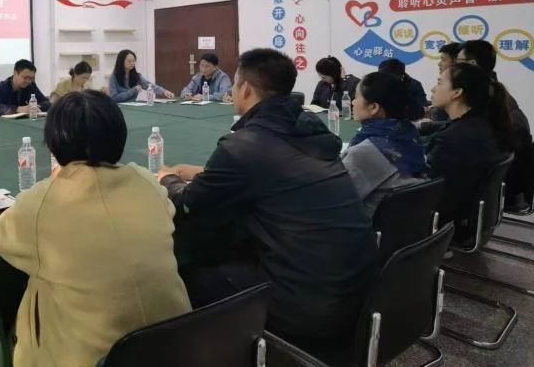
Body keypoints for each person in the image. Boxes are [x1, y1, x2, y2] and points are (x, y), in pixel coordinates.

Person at [157, 49, 377, 351]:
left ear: (245, 88)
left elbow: (189, 204)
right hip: (359, 294)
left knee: (184, 266)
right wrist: (205, 173)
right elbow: (273, 170)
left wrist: (167, 179)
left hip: (305, 305)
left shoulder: (244, 145)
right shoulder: (309, 129)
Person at [0, 90, 191, 366]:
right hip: (177, 347)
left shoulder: (42, 202)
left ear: (54, 143)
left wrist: (53, 183)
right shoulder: (145, 181)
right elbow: (166, 212)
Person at [427, 62, 513, 230]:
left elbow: (426, 182)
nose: (433, 89)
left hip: (444, 220)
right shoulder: (483, 126)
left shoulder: (455, 138)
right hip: (467, 213)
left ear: (457, 93)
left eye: (439, 83)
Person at [457, 39, 534, 210]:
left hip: (503, 183)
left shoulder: (483, 96)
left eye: (458, 61)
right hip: (509, 174)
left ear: (471, 64)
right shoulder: (494, 89)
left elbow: (464, 133)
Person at [342, 72, 427, 217]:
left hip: (366, 225)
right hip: (408, 223)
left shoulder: (364, 153)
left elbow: (336, 200)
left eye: (356, 97)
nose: (353, 102)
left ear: (373, 107)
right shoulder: (409, 134)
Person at [108, 49, 175, 102]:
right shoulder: (114, 77)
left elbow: (149, 85)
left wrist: (164, 92)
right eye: (129, 61)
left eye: (134, 61)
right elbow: (114, 98)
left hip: (134, 106)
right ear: (121, 62)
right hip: (121, 108)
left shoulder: (137, 76)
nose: (132, 63)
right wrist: (133, 90)